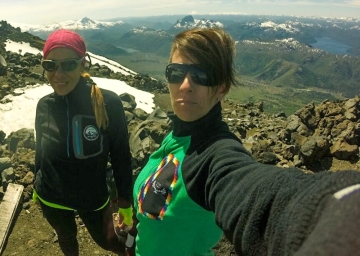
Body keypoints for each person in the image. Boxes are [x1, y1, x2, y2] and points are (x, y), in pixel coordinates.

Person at [131, 27, 360, 256]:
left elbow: (248, 188)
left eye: (203, 75)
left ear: (222, 88)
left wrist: (333, 207)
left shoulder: (212, 154)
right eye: (176, 72)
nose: (185, 85)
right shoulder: (175, 139)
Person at [33, 29, 134, 256]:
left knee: (110, 241)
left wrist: (125, 201)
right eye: (50, 65)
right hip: (51, 196)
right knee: (66, 238)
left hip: (93, 199)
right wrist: (36, 184)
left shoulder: (107, 103)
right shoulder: (44, 105)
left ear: (82, 65)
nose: (58, 74)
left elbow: (120, 155)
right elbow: (40, 150)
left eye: (68, 65)